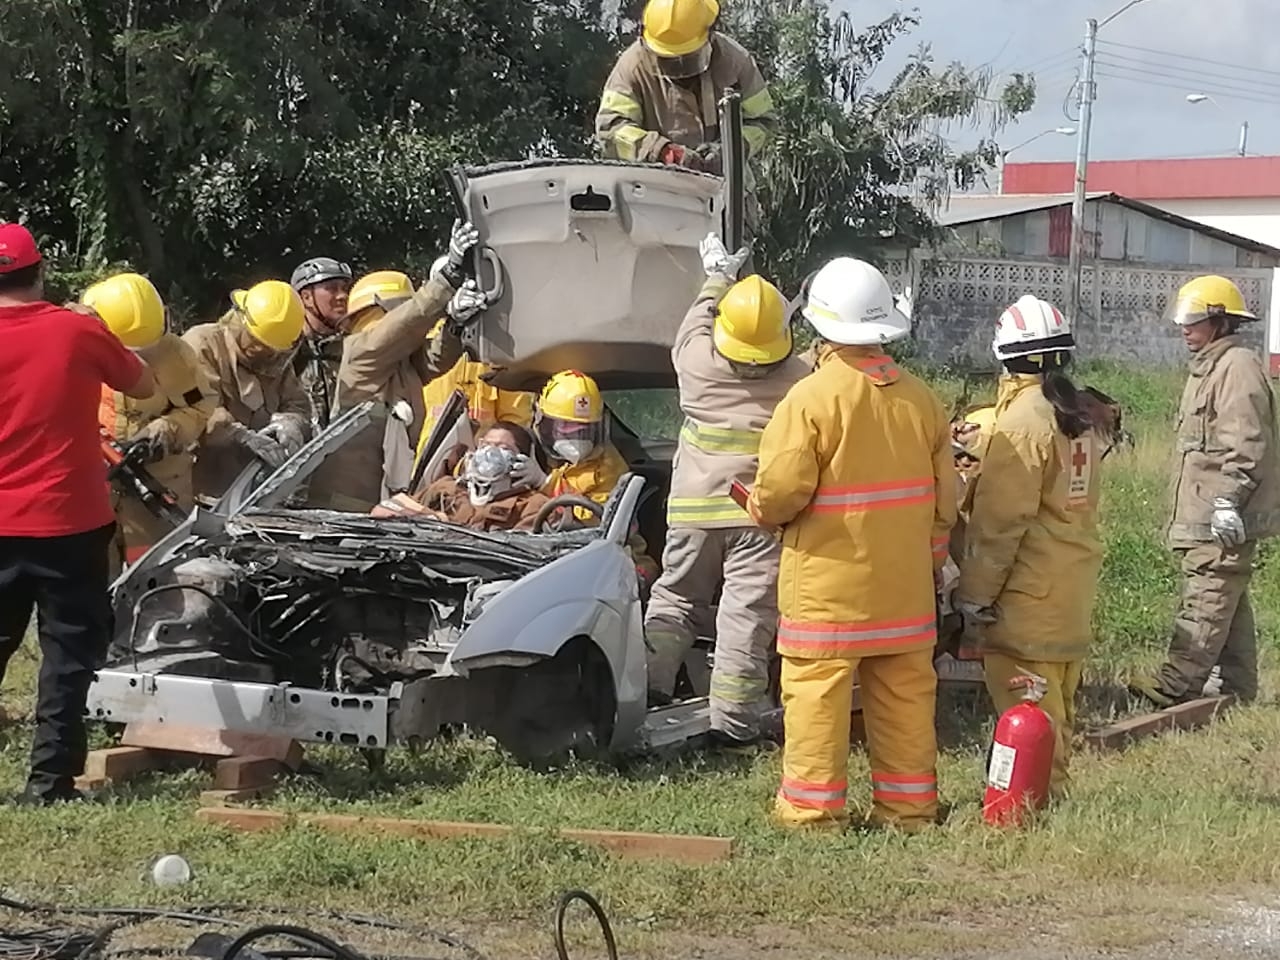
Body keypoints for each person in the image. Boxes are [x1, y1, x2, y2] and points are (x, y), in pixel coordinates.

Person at [746, 256, 955, 832]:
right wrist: (929, 564)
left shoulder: (810, 401)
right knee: (907, 701)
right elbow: (946, 504)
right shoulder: (922, 401)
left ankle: (813, 814)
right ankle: (910, 810)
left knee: (817, 697)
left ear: (820, 328)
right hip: (905, 594)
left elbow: (782, 492)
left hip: (828, 592)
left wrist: (761, 509)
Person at [0, 223, 157, 804]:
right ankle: (49, 782)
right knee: (67, 657)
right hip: (68, 520)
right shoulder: (73, 331)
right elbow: (140, 382)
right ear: (40, 273)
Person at [643, 234, 808, 746]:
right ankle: (735, 720)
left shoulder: (694, 362)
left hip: (692, 510)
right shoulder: (802, 378)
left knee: (673, 600)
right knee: (745, 613)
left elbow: (695, 320)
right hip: (757, 514)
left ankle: (649, 686)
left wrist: (716, 274)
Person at [954, 295, 1106, 800]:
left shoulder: (1022, 422)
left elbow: (1000, 527)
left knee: (1030, 712)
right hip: (1070, 588)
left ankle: (1033, 803)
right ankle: (1050, 796)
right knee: (1058, 705)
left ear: (1006, 356)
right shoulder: (1077, 412)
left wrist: (973, 597)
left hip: (1027, 599)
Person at [1129, 276, 1280, 708]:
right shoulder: (1211, 366)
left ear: (1219, 320)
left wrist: (1227, 502)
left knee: (1209, 591)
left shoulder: (1236, 367)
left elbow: (1246, 442)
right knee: (1226, 594)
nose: (1184, 329)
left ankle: (1176, 684)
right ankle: (1235, 687)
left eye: (1193, 320)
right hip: (1207, 509)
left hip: (1221, 512)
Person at [307, 221, 488, 511]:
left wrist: (454, 323)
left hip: (380, 501)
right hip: (342, 508)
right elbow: (406, 325)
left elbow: (433, 360)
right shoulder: (361, 354)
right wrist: (447, 279)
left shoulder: (396, 365)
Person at [595, 0, 776, 231]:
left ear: (711, 35)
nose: (680, 70)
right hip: (659, 206)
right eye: (669, 61)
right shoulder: (632, 68)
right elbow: (611, 130)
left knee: (735, 265)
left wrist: (731, 149)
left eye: (688, 58)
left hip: (729, 203)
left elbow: (763, 121)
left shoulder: (734, 61)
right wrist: (664, 152)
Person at [85, 272, 217, 577]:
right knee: (91, 583)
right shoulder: (72, 348)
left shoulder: (176, 355)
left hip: (154, 492)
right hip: (91, 493)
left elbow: (199, 405)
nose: (139, 360)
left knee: (155, 579)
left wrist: (162, 434)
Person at [184, 279, 310, 500]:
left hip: (255, 491)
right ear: (240, 320)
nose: (263, 352)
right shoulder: (202, 345)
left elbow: (297, 402)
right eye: (256, 342)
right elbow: (190, 401)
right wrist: (237, 433)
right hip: (201, 488)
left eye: (271, 350)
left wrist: (291, 423)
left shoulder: (275, 358)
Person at [372, 422, 549, 533]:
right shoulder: (447, 489)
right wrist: (432, 520)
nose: (488, 453)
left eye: (502, 448)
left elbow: (521, 554)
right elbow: (384, 511)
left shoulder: (532, 505)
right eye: (485, 445)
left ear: (523, 459)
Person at [290, 257, 354, 435]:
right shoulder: (284, 350)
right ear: (306, 297)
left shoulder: (351, 345)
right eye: (332, 289)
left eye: (344, 289)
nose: (343, 296)